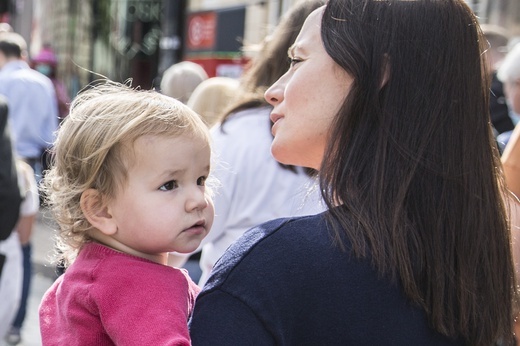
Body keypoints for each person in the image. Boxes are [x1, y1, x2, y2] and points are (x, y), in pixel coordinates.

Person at [189, 1, 515, 345]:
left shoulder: (275, 267)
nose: (274, 90)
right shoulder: (481, 264)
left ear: (373, 74)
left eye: (298, 61)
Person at [39, 81, 214, 345]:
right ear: (101, 210)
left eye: (201, 180)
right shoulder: (142, 284)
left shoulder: (78, 279)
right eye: (169, 185)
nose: (197, 200)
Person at [171, 0, 326, 287]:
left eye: (301, 61)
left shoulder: (239, 134)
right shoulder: (242, 133)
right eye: (293, 60)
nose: (274, 93)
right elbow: (176, 238)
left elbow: (174, 243)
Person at [0, 32, 59, 181]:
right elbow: (52, 132)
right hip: (33, 167)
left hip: (4, 162)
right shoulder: (44, 83)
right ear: (23, 55)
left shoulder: (2, 81)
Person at [4, 160, 39, 345]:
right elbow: (24, 237)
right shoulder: (22, 174)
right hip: (10, 250)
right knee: (25, 253)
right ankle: (15, 326)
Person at [31, 44, 71, 121]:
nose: (43, 67)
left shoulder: (56, 85)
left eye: (46, 65)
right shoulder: (32, 82)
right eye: (41, 64)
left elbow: (65, 107)